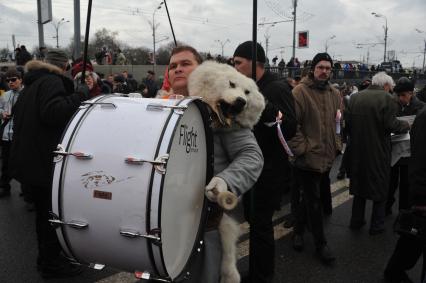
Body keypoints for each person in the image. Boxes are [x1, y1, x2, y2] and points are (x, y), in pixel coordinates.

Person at [167, 45, 264, 283]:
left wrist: (225, 182)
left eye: (185, 64)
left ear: (201, 69)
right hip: (162, 220)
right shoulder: (158, 105)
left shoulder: (222, 109)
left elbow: (252, 156)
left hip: (203, 224)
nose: (178, 69)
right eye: (172, 66)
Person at [9, 49, 90, 279]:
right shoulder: (53, 82)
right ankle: (51, 264)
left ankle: (47, 258)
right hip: (43, 162)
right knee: (51, 216)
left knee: (44, 215)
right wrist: (80, 94)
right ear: (64, 67)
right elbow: (53, 113)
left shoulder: (32, 84)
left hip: (28, 160)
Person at [233, 41, 296, 283]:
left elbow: (291, 127)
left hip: (269, 169)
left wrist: (269, 111)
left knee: (261, 224)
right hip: (250, 167)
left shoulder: (277, 88)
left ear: (254, 62)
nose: (234, 66)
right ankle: (257, 271)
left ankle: (264, 276)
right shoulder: (246, 86)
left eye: (238, 62)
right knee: (253, 220)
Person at [288, 52, 340, 264]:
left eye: (327, 68)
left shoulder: (334, 93)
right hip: (307, 158)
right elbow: (293, 125)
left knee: (309, 199)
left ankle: (298, 232)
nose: (324, 71)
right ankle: (321, 244)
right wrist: (303, 148)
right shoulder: (300, 92)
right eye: (321, 67)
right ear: (313, 69)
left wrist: (337, 144)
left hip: (327, 156)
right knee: (314, 200)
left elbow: (338, 121)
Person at [347, 72, 410, 235]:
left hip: (358, 151)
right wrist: (406, 124)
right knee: (380, 189)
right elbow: (391, 125)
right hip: (378, 152)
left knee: (359, 188)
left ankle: (356, 220)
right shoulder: (387, 99)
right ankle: (377, 225)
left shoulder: (355, 97)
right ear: (387, 86)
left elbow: (348, 125)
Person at [384, 107, 426, 283]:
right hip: (424, 197)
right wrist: (421, 198)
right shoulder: (424, 117)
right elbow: (420, 160)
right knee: (413, 240)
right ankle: (394, 273)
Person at [386, 77, 424, 215]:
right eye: (398, 95)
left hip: (410, 152)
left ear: (411, 93)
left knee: (406, 185)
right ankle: (387, 207)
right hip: (395, 150)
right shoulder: (393, 104)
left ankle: (404, 211)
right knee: (390, 182)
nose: (400, 98)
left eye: (404, 95)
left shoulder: (420, 107)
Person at [0, 68, 23, 198]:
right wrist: (2, 113)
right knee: (6, 164)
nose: (10, 82)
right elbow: (0, 107)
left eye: (13, 79)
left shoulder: (26, 94)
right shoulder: (5, 95)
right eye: (8, 80)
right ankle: (5, 187)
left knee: (23, 163)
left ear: (20, 80)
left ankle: (27, 192)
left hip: (19, 135)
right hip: (6, 135)